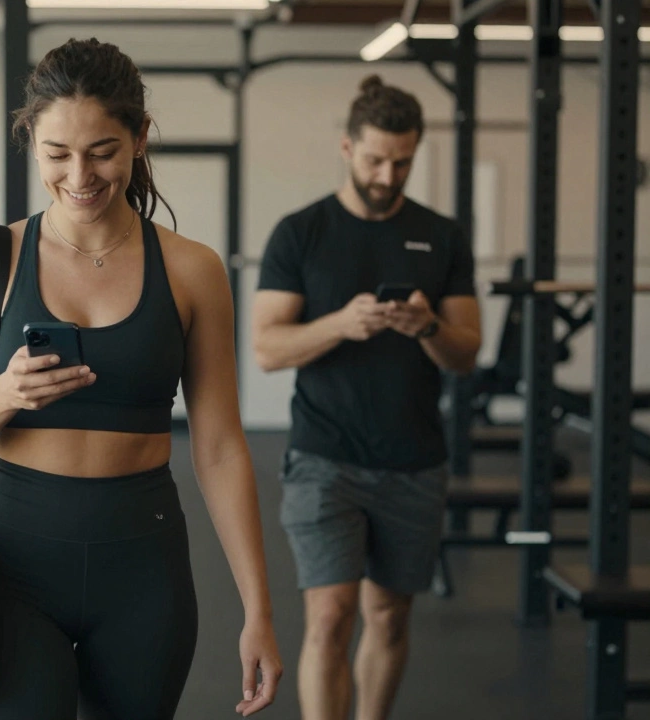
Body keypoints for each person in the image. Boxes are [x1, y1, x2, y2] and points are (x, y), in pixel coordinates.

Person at [0, 38, 282, 720]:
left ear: (140, 138)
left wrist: (258, 610)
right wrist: (6, 393)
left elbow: (219, 449)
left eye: (102, 151)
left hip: (144, 569)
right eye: (57, 154)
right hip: (11, 567)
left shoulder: (193, 269)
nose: (79, 175)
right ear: (32, 143)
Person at [251, 75, 482, 720]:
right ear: (348, 147)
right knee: (330, 616)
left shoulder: (442, 235)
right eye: (377, 159)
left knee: (388, 615)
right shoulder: (301, 232)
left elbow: (466, 353)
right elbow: (267, 348)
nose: (388, 175)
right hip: (324, 457)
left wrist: (428, 327)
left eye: (402, 162)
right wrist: (340, 325)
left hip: (414, 459)